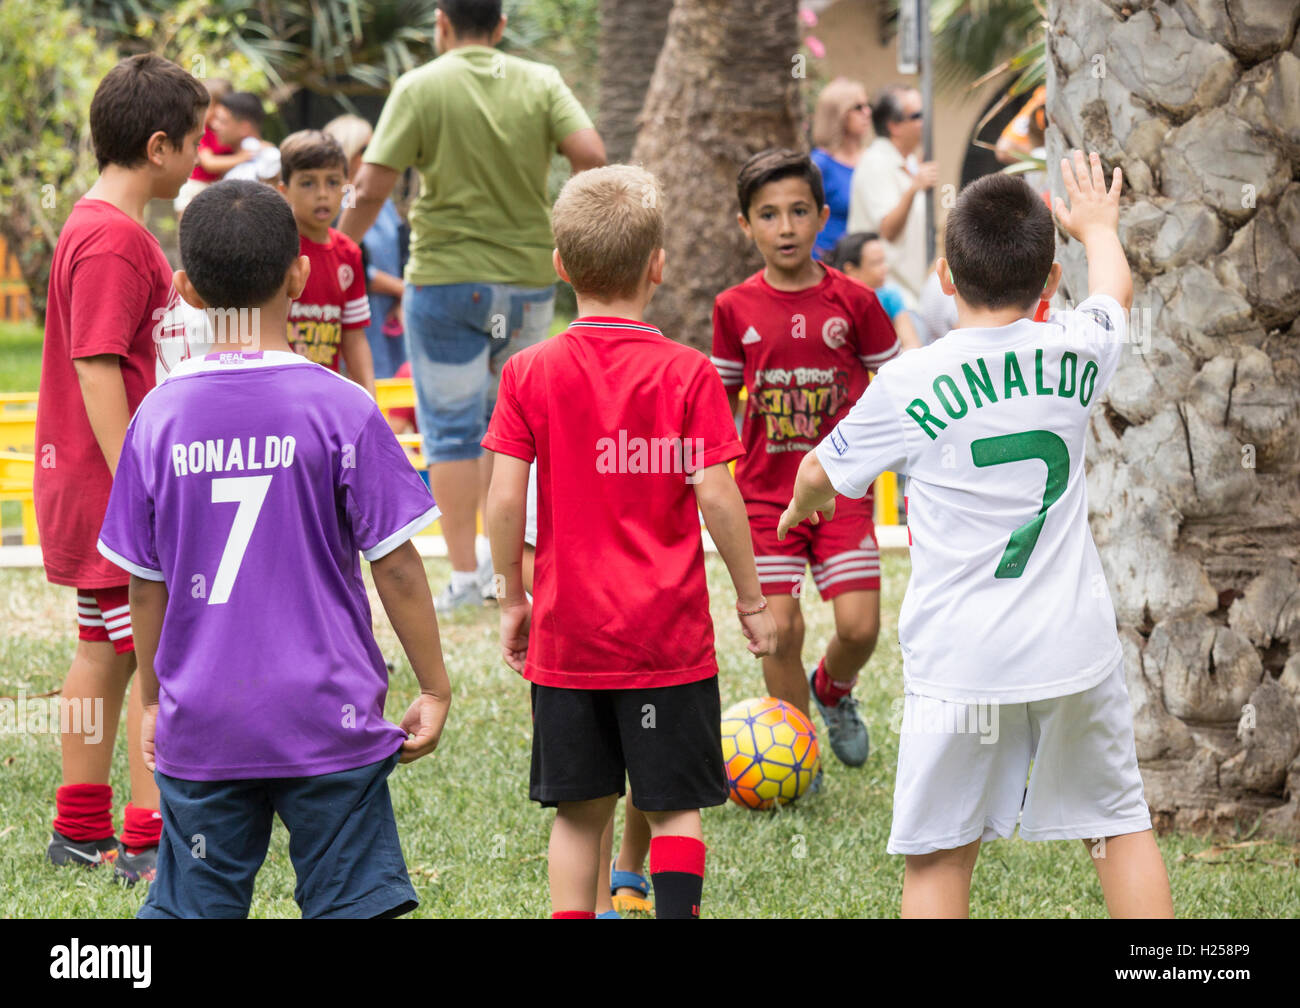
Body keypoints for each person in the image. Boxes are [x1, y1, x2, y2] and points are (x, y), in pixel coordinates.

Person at [779, 153, 1173, 919]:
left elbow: (820, 474)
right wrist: (1097, 226)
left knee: (939, 858)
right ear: (1050, 285)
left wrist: (802, 511)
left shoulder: (910, 381)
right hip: (1073, 649)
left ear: (945, 278)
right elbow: (1115, 292)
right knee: (1119, 827)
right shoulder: (1077, 349)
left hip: (961, 660)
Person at [96, 180, 452, 918]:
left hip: (205, 724)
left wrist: (154, 699)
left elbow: (143, 587)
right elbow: (397, 566)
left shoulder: (156, 420)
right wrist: (435, 686)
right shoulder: (343, 407)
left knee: (196, 903)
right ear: (298, 274)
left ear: (187, 292)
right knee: (354, 903)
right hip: (331, 721)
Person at [483, 165, 776, 919]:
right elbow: (716, 491)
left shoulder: (527, 372)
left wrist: (511, 599)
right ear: (658, 265)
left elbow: (506, 495)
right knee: (676, 805)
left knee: (580, 812)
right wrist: (751, 599)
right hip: (665, 640)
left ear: (559, 268)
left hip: (569, 636)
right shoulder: (687, 375)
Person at [339, 0, 606, 613]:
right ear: (502, 28)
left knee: (451, 431)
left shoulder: (420, 86)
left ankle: (463, 576)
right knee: (511, 428)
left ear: (442, 24)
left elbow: (374, 184)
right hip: (528, 281)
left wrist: (336, 247)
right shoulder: (540, 81)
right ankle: (500, 569)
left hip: (445, 281)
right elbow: (591, 154)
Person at [35, 54, 207, 884]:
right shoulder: (111, 237)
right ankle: (144, 843)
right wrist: (139, 484)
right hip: (113, 492)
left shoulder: (100, 226)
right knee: (146, 659)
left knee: (107, 654)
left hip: (97, 487)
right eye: (196, 142)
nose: (201, 157)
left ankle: (81, 830)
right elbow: (99, 366)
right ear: (160, 145)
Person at [711, 149, 900, 774]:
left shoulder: (857, 302)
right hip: (766, 501)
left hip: (841, 495)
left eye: (797, 212)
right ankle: (799, 756)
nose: (785, 227)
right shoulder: (733, 308)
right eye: (768, 215)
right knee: (780, 629)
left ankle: (833, 690)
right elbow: (719, 404)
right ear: (746, 226)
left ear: (823, 217)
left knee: (859, 628)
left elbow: (897, 388)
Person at [278, 130, 375, 398]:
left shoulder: (349, 254)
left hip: (325, 397)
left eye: (333, 182)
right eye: (308, 183)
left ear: (347, 187)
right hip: (278, 392)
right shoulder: (273, 249)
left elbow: (353, 336)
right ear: (283, 190)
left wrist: (370, 400)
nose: (322, 194)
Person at [324, 114, 408, 380]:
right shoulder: (332, 203)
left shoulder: (382, 201)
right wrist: (403, 290)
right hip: (357, 315)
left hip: (391, 314)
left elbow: (403, 251)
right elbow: (348, 264)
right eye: (365, 150)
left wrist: (402, 295)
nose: (374, 157)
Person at [847, 85, 938, 309]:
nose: (924, 122)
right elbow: (888, 228)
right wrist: (914, 188)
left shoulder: (905, 162)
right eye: (917, 116)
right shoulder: (876, 163)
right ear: (894, 126)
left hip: (912, 293)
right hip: (888, 298)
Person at [828, 231, 922, 351]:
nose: (885, 268)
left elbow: (912, 345)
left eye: (883, 261)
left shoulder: (889, 296)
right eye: (876, 263)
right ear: (850, 270)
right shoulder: (833, 300)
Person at [810, 78, 870, 261]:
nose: (867, 112)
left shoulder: (873, 159)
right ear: (838, 114)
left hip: (868, 263)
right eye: (858, 107)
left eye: (868, 105)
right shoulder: (819, 164)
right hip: (829, 262)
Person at [173, 77, 240, 217]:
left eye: (210, 107)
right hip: (195, 186)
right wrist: (244, 157)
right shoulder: (202, 131)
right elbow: (209, 163)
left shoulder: (225, 131)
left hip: (214, 187)